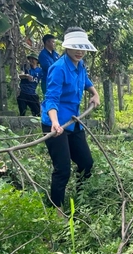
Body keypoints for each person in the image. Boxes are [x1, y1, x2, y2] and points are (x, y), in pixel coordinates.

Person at [41, 27, 100, 210]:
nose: (79, 51)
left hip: (74, 123)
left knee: (86, 163)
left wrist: (95, 94)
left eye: (82, 47)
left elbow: (86, 82)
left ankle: (80, 200)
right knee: (63, 169)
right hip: (55, 124)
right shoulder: (58, 68)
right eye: (75, 47)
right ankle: (56, 210)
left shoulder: (80, 65)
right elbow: (51, 98)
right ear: (67, 47)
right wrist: (55, 123)